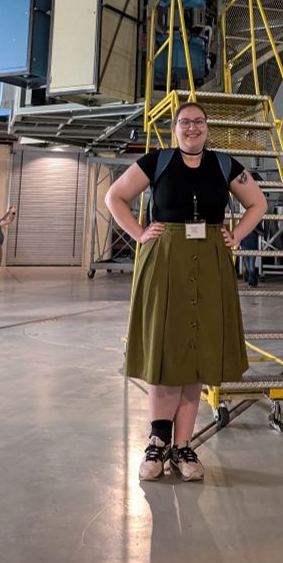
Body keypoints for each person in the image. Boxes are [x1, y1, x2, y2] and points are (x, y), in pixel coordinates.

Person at [105, 103, 267, 483]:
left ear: (207, 128)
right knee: (166, 349)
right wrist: (139, 233)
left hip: (210, 258)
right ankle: (157, 442)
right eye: (184, 123)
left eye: (198, 122)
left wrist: (236, 235)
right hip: (166, 259)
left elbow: (258, 203)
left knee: (196, 353)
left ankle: (183, 445)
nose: (191, 128)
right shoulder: (156, 161)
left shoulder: (225, 164)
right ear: (174, 129)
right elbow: (115, 197)